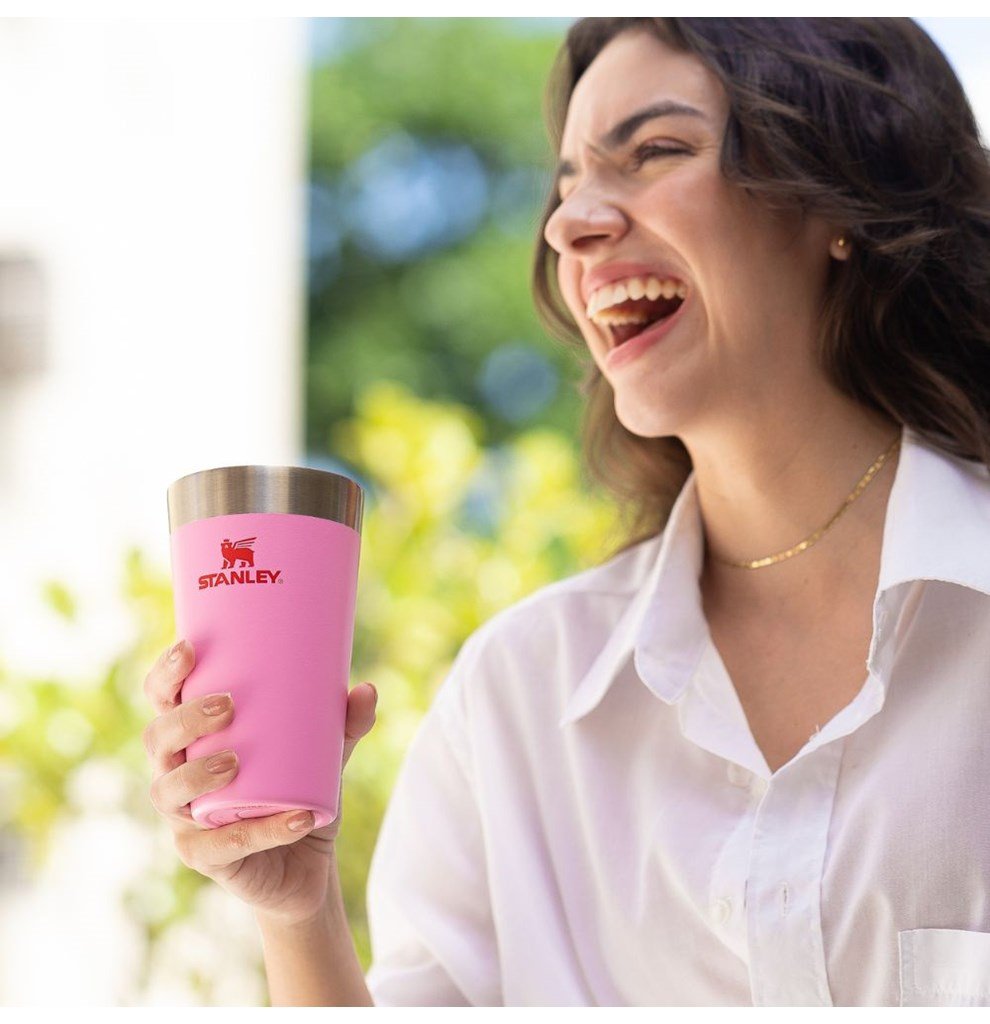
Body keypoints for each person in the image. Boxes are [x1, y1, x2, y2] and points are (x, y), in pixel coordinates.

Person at [142, 17, 990, 1007]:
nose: (571, 220)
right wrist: (296, 910)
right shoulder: (516, 696)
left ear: (839, 196)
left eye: (655, 151)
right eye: (568, 183)